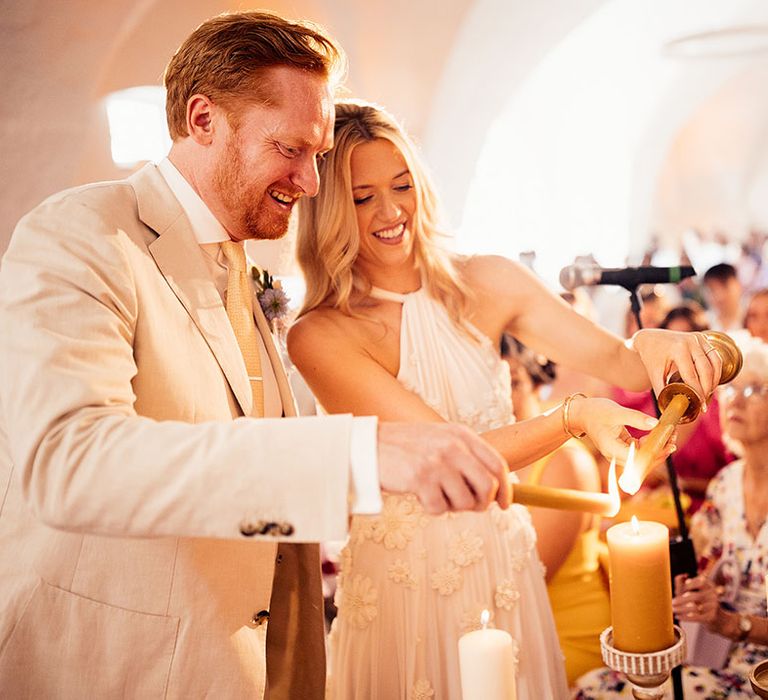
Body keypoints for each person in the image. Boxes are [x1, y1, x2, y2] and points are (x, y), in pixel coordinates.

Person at [0, 14, 511, 699]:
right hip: (117, 671)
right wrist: (360, 453)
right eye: (290, 149)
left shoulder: (245, 274)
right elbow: (71, 462)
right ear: (203, 119)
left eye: (318, 154)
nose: (309, 182)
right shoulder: (84, 233)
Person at [288, 100, 722, 698]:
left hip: (501, 563)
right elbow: (452, 453)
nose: (391, 212)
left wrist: (656, 342)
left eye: (402, 185)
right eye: (362, 197)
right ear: (328, 210)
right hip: (401, 585)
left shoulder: (486, 281)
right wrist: (572, 418)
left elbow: (621, 363)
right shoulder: (320, 335)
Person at [502, 335, 610, 686]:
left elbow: (527, 579)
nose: (502, 395)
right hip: (508, 632)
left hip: (567, 638)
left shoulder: (565, 462)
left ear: (536, 377)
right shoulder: (484, 456)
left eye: (513, 382)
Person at [672, 330, 768, 694]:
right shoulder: (724, 484)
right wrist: (692, 590)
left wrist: (731, 623)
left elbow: (726, 620)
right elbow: (703, 568)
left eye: (754, 390)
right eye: (729, 390)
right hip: (722, 657)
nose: (735, 401)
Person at [703, 262, 744, 332]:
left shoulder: (753, 317)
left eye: (724, 286)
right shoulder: (703, 323)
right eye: (712, 290)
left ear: (738, 285)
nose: (719, 296)